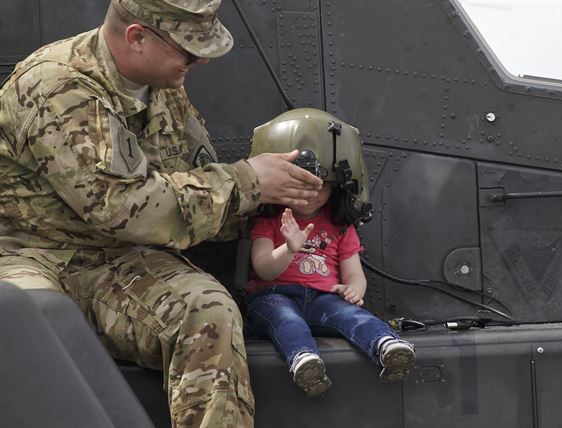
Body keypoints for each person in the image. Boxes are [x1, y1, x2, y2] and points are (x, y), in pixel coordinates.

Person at [0, 0, 323, 426]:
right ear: (136, 38)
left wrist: (275, 203)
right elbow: (123, 207)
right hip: (32, 255)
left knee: (209, 310)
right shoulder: (57, 87)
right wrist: (248, 182)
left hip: (119, 260)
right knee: (31, 323)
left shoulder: (166, 91)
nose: (201, 59)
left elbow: (194, 185)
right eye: (189, 50)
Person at [247, 179, 416, 397]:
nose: (311, 193)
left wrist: (354, 290)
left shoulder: (340, 225)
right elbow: (264, 269)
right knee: (287, 319)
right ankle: (304, 360)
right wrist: (289, 249)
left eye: (320, 186)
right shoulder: (270, 219)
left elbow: (354, 274)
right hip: (274, 297)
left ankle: (386, 345)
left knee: (351, 314)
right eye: (302, 185)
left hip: (322, 299)